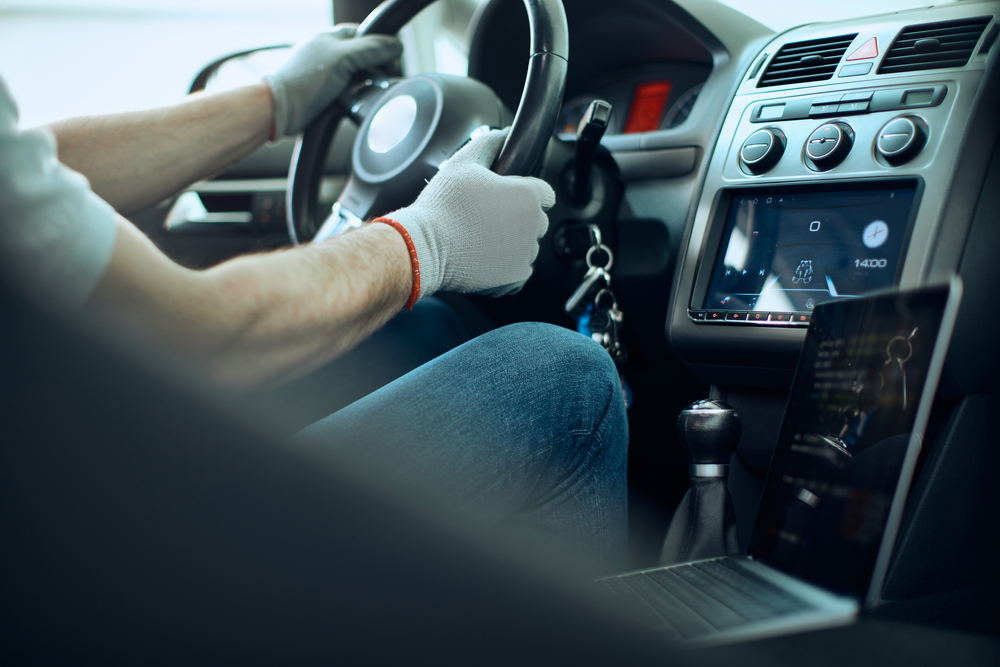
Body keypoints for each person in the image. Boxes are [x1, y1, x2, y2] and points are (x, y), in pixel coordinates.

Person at [0, 26, 628, 572]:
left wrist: (273, 101)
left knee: (421, 327)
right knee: (567, 379)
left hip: (72, 460)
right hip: (92, 556)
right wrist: (428, 241)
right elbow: (194, 336)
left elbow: (42, 164)